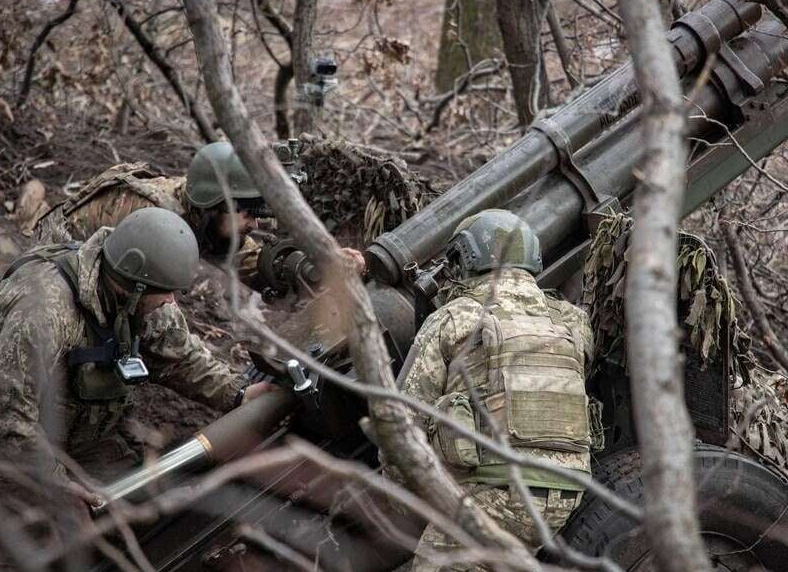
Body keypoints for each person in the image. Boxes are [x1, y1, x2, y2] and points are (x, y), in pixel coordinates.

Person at [0, 208, 269, 518]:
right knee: (34, 540)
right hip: (14, 447)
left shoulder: (144, 293)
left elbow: (181, 358)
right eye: (166, 294)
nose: (171, 302)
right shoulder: (43, 312)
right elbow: (6, 417)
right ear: (133, 286)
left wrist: (238, 393)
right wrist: (57, 483)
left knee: (139, 514)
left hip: (88, 434)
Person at [393, 209, 594, 571]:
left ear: (467, 256)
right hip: (568, 493)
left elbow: (403, 420)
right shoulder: (572, 321)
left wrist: (403, 497)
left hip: (493, 490)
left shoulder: (456, 318)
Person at [34, 141, 365, 284]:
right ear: (216, 205)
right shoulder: (155, 224)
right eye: (248, 212)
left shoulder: (201, 208)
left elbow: (248, 260)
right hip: (50, 272)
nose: (255, 223)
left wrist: (321, 262)